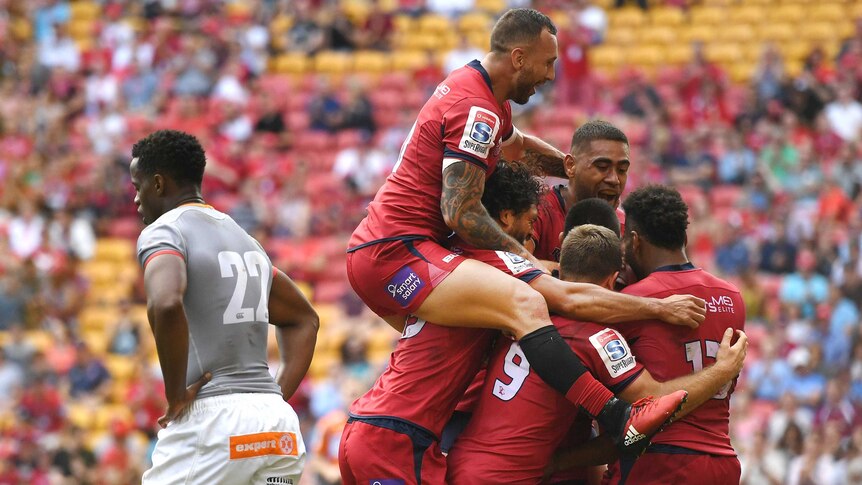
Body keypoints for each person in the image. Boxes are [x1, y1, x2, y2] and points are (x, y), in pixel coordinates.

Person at [346, 8, 698, 460]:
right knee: (527, 302)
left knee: (475, 337)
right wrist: (523, 257)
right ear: (518, 57)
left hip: (397, 253)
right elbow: (458, 211)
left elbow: (518, 148)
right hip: (396, 252)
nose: (551, 75)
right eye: (547, 63)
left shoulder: (484, 95)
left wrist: (575, 172)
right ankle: (617, 418)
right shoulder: (476, 109)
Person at [340, 162, 695, 484]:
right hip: (401, 438)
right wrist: (659, 309)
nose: (531, 236)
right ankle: (618, 417)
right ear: (506, 219)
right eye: (529, 222)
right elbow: (572, 297)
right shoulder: (496, 263)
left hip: (373, 423)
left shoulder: (447, 262)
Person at [446, 224, 747, 484]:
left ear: (559, 271)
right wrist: (722, 371)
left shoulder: (520, 315)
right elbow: (651, 406)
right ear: (612, 281)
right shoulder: (597, 337)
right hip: (509, 477)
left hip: (459, 462)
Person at [130, 130, 319, 484]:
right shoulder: (244, 239)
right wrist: (276, 395)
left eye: (137, 185)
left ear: (158, 183)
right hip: (275, 426)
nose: (136, 198)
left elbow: (166, 302)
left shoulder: (164, 231)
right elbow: (304, 318)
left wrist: (174, 395)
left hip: (213, 423)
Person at [603, 185, 747, 484]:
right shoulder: (732, 296)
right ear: (684, 237)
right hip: (722, 460)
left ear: (634, 241)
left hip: (659, 458)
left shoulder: (634, 301)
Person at [528, 119, 630, 265]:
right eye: (602, 167)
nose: (614, 179)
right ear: (570, 166)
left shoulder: (625, 227)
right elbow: (516, 266)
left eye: (622, 170)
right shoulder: (536, 211)